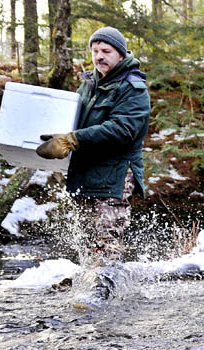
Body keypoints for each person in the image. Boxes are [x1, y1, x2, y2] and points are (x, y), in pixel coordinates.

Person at [37, 27, 150, 300]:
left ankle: (104, 304)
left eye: (106, 52)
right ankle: (87, 296)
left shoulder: (133, 88)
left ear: (120, 54)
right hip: (85, 174)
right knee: (87, 245)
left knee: (107, 245)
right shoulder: (88, 85)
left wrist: (72, 140)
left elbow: (123, 129)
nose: (99, 57)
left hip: (114, 177)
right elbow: (71, 120)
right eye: (95, 51)